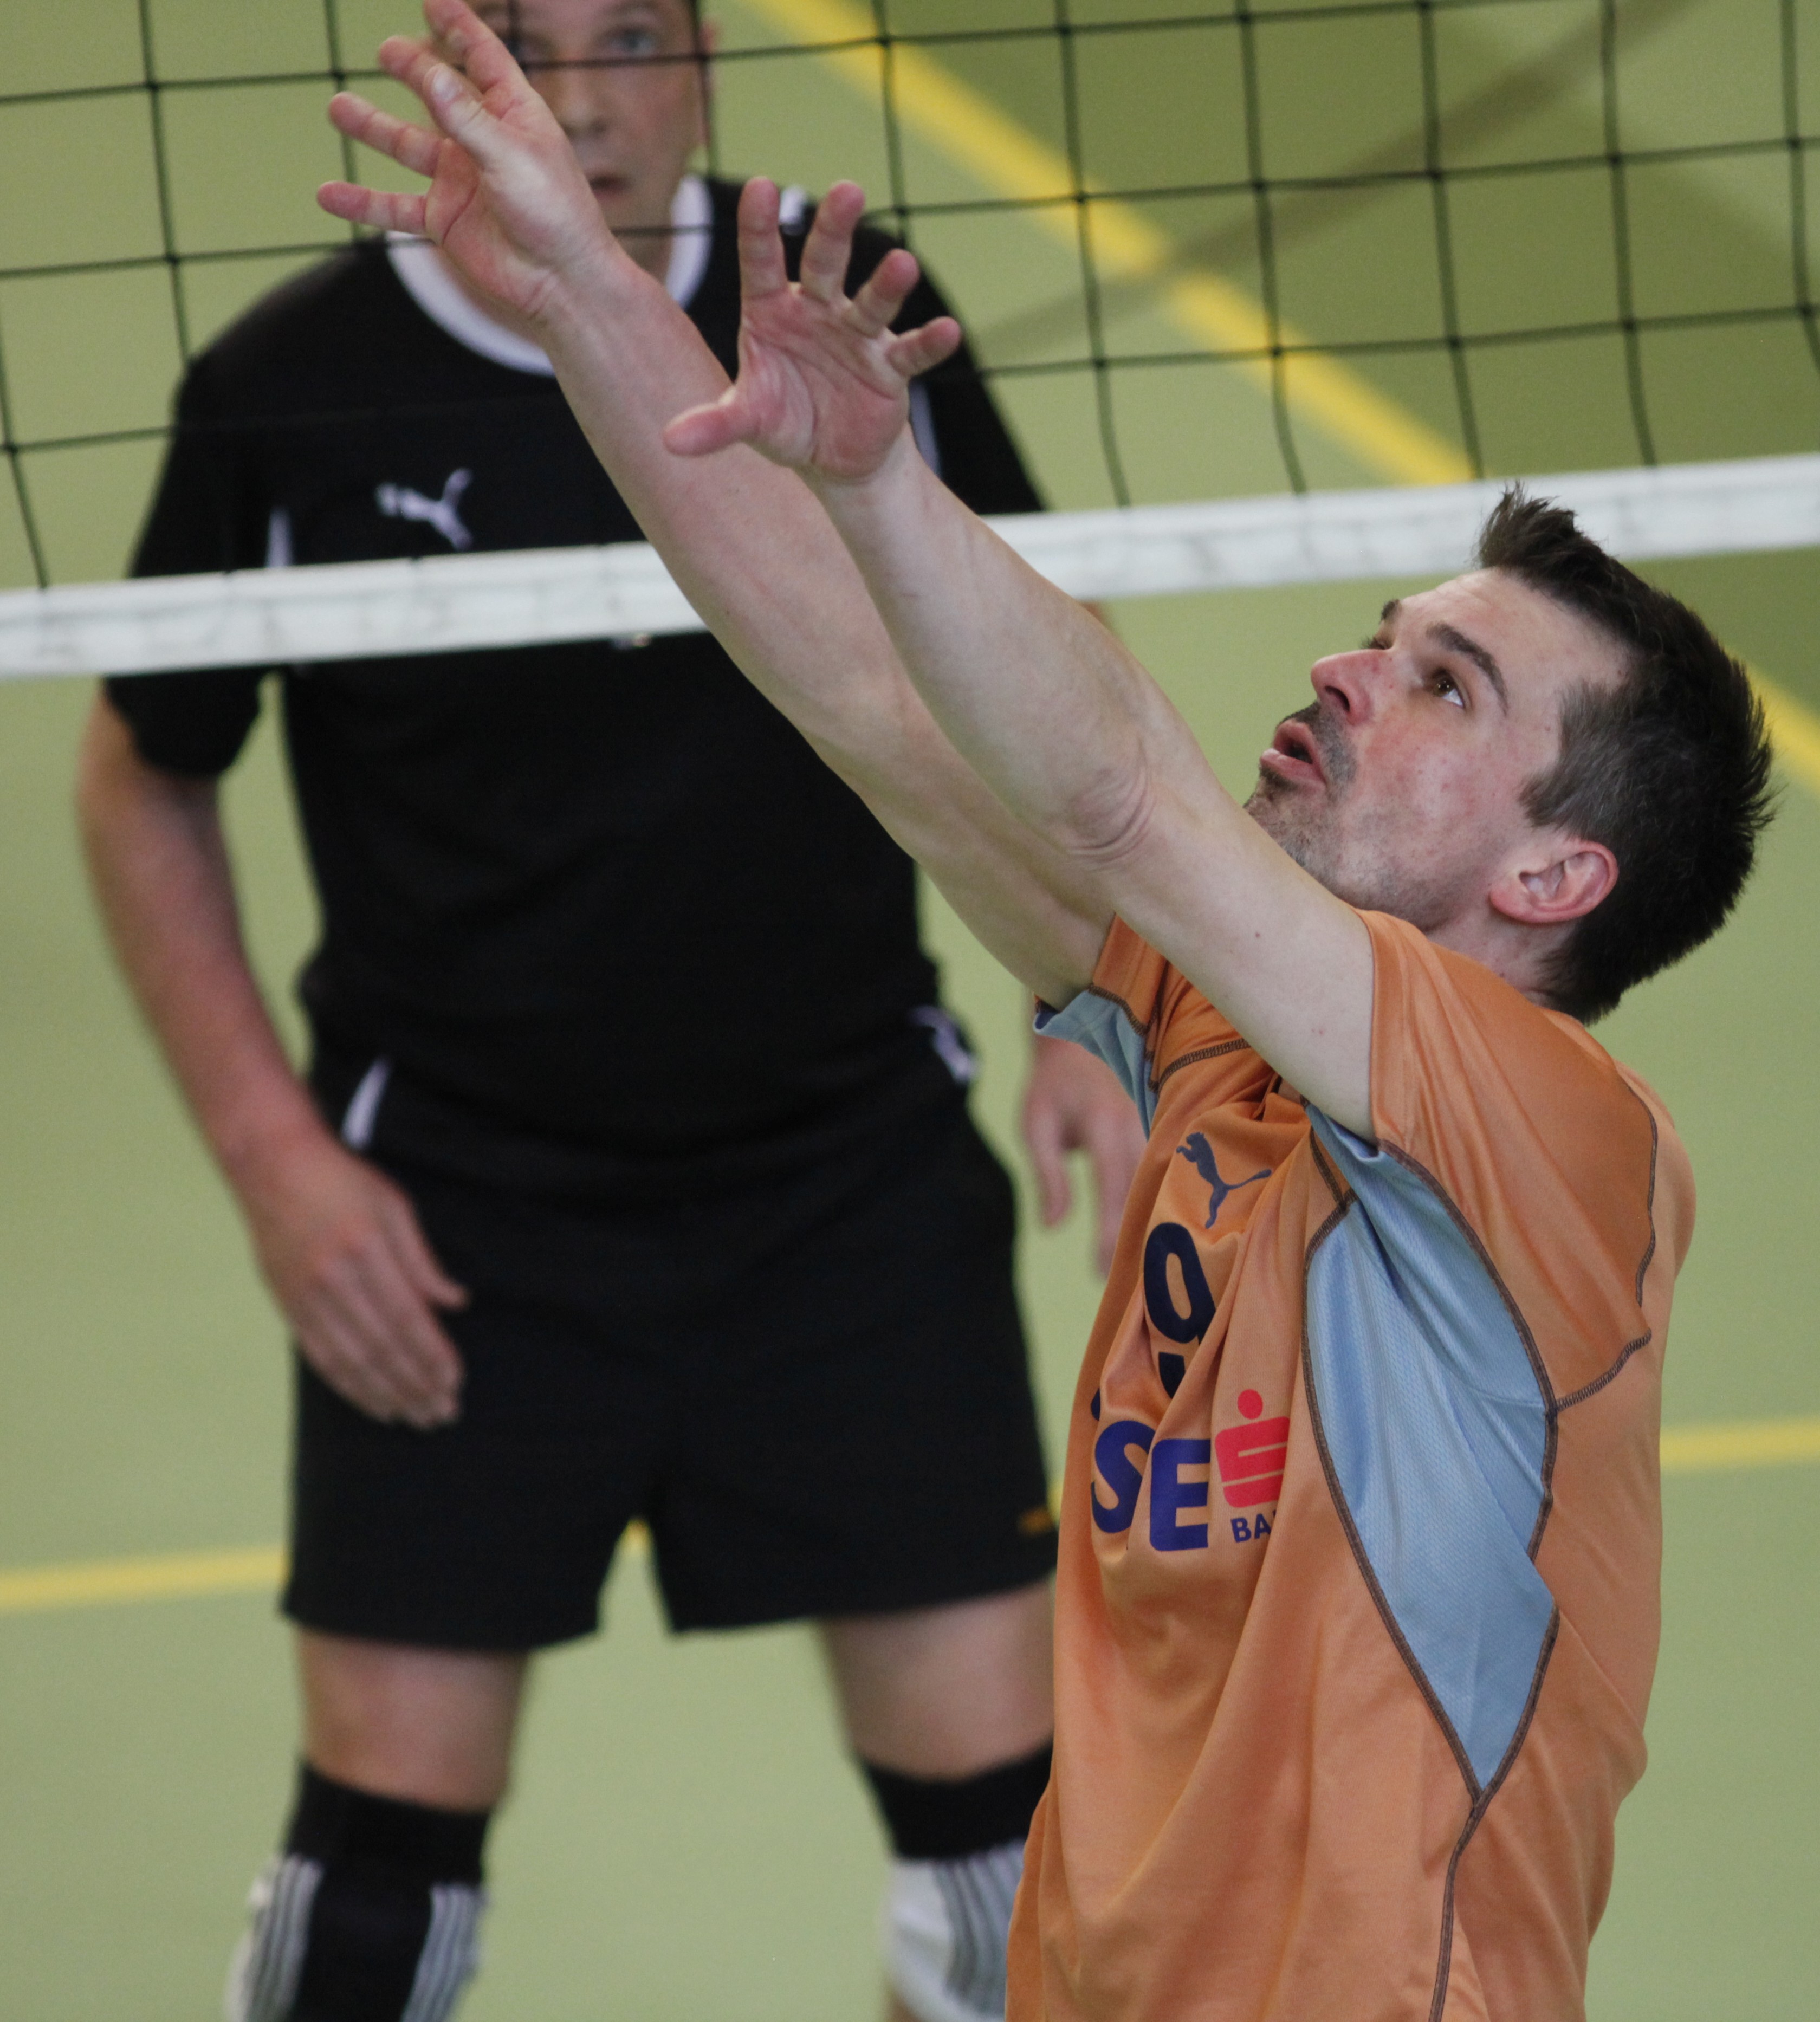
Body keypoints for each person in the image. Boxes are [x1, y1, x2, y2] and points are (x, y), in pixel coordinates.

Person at [309, 5, 1777, 2015]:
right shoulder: (1219, 1036)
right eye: (1387, 634)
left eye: (1446, 687)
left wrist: (889, 488)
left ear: (1553, 879)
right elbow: (862, 696)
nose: (1350, 670)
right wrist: (577, 288)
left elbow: (1122, 792)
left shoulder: (1557, 1139)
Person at [75, 5, 1147, 2020]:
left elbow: (1040, 673)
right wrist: (275, 1158)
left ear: (708, 56)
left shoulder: (834, 311)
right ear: (439, 63)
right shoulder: (287, 394)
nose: (579, 101)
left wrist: (1089, 1004)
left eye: (633, 33)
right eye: (528, 41)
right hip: (459, 1216)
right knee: (371, 1922)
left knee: (1017, 1895)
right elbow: (147, 774)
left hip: (846, 1182)